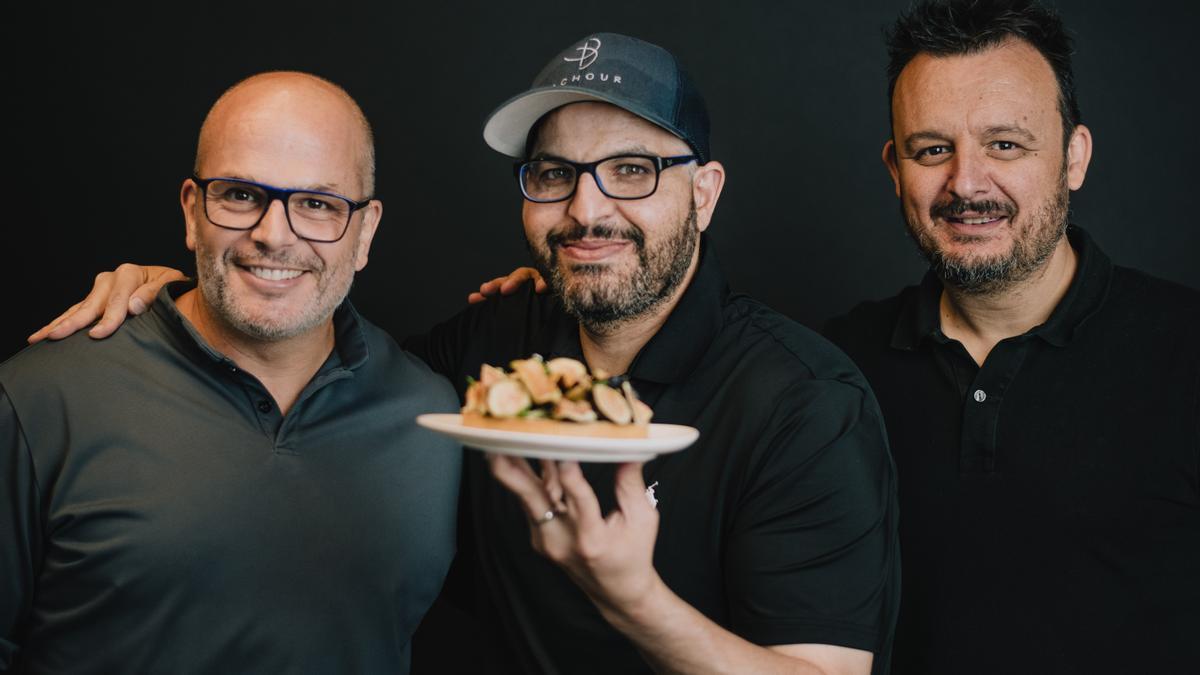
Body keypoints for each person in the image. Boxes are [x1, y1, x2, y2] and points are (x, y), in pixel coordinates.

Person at [25, 34, 901, 674]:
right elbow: (311, 356)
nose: (586, 211)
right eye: (554, 174)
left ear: (703, 193)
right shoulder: (489, 347)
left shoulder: (803, 402)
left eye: (632, 169)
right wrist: (183, 293)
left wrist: (633, 596)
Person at [1, 72, 461, 673]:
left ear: (366, 230)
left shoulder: (436, 417)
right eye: (241, 195)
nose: (273, 236)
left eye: (318, 204)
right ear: (193, 211)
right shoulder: (39, 401)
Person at [820, 1, 1200, 673]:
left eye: (1005, 144)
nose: (966, 183)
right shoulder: (830, 371)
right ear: (894, 170)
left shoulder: (1186, 349)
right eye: (932, 149)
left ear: (1073, 156)